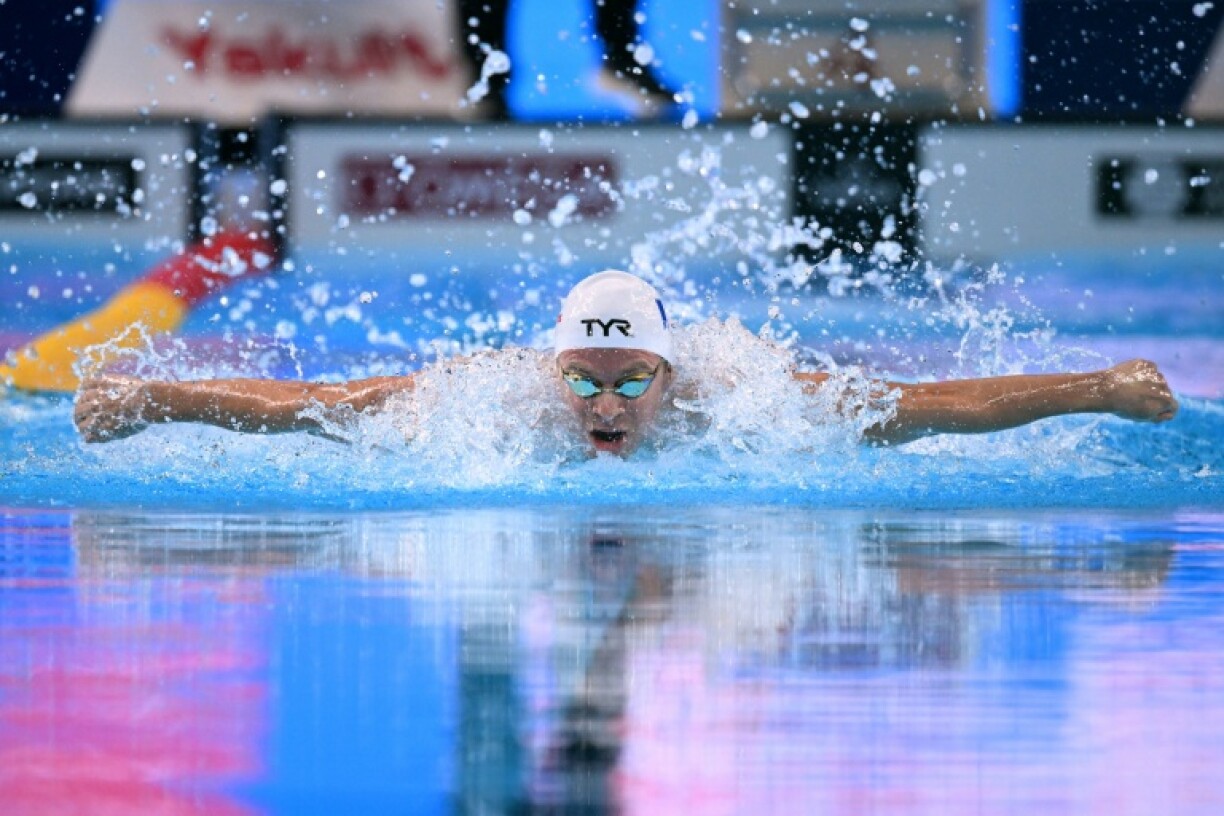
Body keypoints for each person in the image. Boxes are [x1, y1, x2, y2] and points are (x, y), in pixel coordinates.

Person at [73, 270, 1179, 454]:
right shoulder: (490, 403)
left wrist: (1097, 391)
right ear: (554, 373)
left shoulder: (750, 404)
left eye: (631, 380)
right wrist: (153, 397)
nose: (606, 404)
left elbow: (934, 406)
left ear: (672, 375)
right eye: (587, 382)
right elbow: (303, 407)